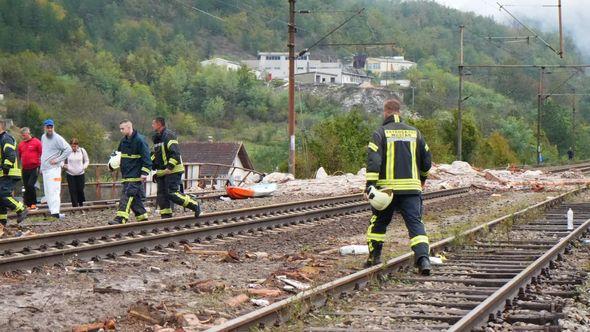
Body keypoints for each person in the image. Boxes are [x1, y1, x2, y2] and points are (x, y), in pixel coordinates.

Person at [364, 99, 432, 275]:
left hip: (386, 191)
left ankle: (374, 257)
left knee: (378, 223)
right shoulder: (415, 132)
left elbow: (374, 161)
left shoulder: (380, 133)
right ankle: (423, 260)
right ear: (399, 112)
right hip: (411, 190)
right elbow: (427, 160)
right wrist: (422, 179)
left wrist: (370, 186)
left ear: (386, 112)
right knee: (416, 224)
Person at [151, 117, 200, 218]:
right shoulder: (157, 137)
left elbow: (175, 154)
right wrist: (152, 165)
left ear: (159, 124)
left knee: (171, 193)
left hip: (173, 170)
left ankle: (194, 204)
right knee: (161, 195)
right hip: (162, 171)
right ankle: (166, 216)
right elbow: (156, 154)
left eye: (153, 124)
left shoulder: (169, 136)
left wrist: (169, 168)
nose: (152, 126)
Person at [109, 120, 152, 225]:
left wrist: (144, 173)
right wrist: (112, 165)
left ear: (129, 127)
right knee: (135, 200)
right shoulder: (123, 141)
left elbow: (147, 158)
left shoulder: (140, 140)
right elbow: (118, 156)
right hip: (126, 175)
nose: (121, 131)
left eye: (122, 128)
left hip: (135, 176)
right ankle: (143, 218)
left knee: (127, 195)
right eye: (120, 129)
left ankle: (121, 218)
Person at [40, 119, 72, 219]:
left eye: (51, 127)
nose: (49, 129)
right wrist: (41, 167)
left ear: (53, 127)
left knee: (54, 190)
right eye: (47, 127)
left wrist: (58, 160)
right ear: (44, 127)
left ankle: (55, 212)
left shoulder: (57, 138)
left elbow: (68, 149)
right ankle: (52, 210)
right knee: (48, 191)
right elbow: (44, 153)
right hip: (45, 169)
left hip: (54, 170)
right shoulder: (43, 137)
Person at [0, 119, 28, 229]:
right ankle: (2, 222)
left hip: (9, 173)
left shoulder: (6, 138)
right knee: (0, 198)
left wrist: (5, 169)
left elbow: (10, 155)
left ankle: (21, 209)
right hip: (3, 173)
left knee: (3, 194)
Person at [17, 127, 42, 210]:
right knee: (26, 187)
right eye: (22, 135)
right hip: (25, 168)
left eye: (24, 135)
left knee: (31, 185)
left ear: (28, 133)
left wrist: (41, 166)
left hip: (34, 167)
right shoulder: (21, 144)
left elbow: (42, 153)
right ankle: (28, 205)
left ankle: (34, 204)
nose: (23, 136)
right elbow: (20, 156)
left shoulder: (37, 142)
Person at [64, 138, 89, 207]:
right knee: (72, 190)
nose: (73, 147)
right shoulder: (67, 151)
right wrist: (64, 165)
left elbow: (87, 161)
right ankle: (74, 206)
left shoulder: (82, 151)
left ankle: (81, 204)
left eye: (75, 146)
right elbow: (61, 161)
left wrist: (84, 167)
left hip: (80, 173)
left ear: (77, 145)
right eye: (72, 146)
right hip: (70, 174)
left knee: (80, 189)